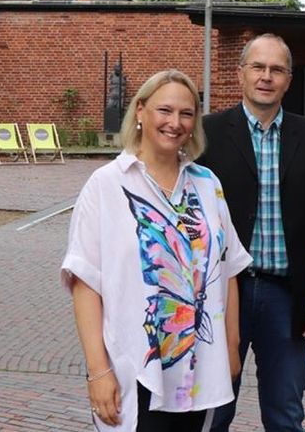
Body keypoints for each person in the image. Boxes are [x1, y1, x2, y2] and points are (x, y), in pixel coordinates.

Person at [61, 70, 251, 431]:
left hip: (200, 370)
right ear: (140, 111)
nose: (175, 123)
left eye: (186, 113)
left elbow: (229, 269)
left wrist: (231, 345)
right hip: (135, 367)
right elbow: (85, 282)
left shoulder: (207, 185)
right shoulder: (107, 184)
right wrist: (97, 370)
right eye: (164, 110)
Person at [197, 33, 305, 431]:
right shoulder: (207, 134)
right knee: (214, 409)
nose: (266, 77)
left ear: (289, 80)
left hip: (286, 297)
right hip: (225, 295)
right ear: (241, 74)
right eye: (258, 67)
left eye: (277, 69)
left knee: (285, 414)